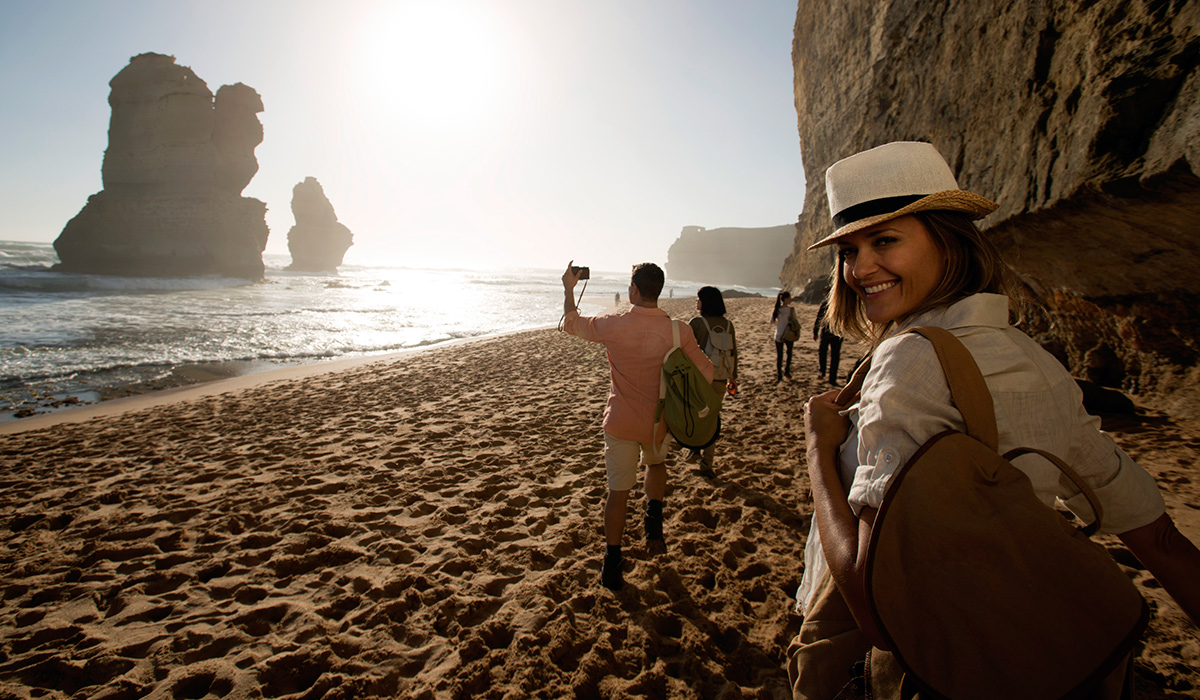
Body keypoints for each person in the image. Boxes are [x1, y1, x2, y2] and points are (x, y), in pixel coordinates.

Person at [789, 141, 1200, 697]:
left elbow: (871, 601)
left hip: (930, 664)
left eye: (884, 240)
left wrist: (818, 443)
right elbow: (1159, 539)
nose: (859, 268)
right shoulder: (1038, 363)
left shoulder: (909, 358)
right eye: (847, 250)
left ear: (949, 238)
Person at [561, 261, 714, 591]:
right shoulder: (679, 330)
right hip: (661, 421)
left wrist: (570, 289)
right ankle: (653, 520)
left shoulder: (615, 325)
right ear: (658, 290)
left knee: (618, 492)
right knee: (656, 464)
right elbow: (707, 372)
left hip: (621, 421)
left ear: (633, 290)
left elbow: (570, 325)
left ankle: (612, 563)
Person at [689, 286, 738, 476]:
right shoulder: (728, 325)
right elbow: (734, 352)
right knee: (713, 419)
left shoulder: (697, 323)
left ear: (705, 302)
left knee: (694, 413)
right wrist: (733, 377)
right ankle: (707, 464)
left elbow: (686, 350)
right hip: (721, 377)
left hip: (700, 379)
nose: (696, 301)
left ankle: (694, 447)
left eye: (698, 298)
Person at [812, 297, 843, 386]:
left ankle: (826, 374)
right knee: (831, 355)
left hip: (833, 332)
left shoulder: (836, 304)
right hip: (833, 332)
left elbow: (819, 318)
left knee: (828, 353)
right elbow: (819, 318)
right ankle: (826, 374)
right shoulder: (830, 304)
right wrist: (815, 331)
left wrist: (815, 331)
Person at [771, 291, 797, 383]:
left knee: (779, 356)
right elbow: (795, 322)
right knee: (789, 353)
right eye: (789, 298)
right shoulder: (791, 310)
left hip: (778, 334)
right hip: (788, 334)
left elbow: (772, 322)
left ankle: (779, 375)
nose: (790, 299)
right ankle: (787, 371)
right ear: (786, 299)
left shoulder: (777, 309)